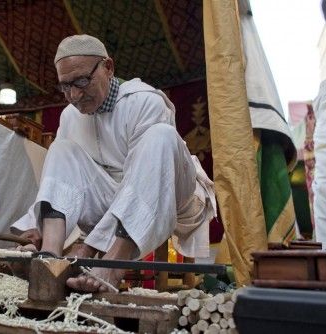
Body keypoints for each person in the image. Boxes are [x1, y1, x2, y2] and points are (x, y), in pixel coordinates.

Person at [11, 34, 216, 292]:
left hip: (170, 190)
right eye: (65, 86)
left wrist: (89, 246)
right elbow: (61, 178)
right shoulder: (69, 116)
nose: (74, 95)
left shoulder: (145, 101)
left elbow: (146, 181)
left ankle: (114, 264)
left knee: (160, 136)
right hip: (110, 196)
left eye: (82, 81)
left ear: (108, 67)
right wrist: (34, 227)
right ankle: (49, 258)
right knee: (61, 148)